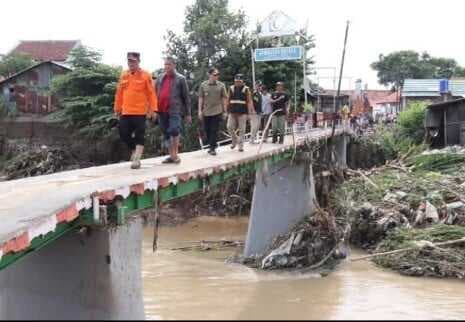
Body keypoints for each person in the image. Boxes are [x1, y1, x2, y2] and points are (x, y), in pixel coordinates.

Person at [114, 52, 158, 169]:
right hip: (126, 111)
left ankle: (137, 159)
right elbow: (119, 93)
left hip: (140, 112)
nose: (130, 63)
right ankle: (134, 149)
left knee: (140, 134)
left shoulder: (146, 75)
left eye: (133, 61)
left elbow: (151, 94)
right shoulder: (124, 75)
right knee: (123, 133)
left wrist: (153, 110)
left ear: (138, 61)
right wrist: (117, 108)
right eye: (129, 61)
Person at [156, 57, 192, 164]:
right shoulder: (160, 77)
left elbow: (186, 97)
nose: (166, 66)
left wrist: (188, 114)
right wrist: (153, 109)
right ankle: (171, 155)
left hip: (175, 110)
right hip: (161, 110)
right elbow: (155, 93)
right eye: (165, 64)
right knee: (166, 133)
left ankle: (175, 154)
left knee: (174, 130)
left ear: (174, 65)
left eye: (169, 64)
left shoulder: (181, 78)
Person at [198, 68, 228, 156]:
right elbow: (200, 98)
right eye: (214, 75)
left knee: (214, 130)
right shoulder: (203, 85)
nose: (216, 76)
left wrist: (225, 111)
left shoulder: (221, 85)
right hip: (206, 111)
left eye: (217, 75)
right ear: (209, 75)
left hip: (217, 111)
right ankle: (212, 145)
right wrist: (199, 111)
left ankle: (212, 148)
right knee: (207, 130)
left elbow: (224, 98)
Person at [227, 74, 255, 152]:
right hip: (232, 112)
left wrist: (249, 113)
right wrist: (226, 110)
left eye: (239, 81)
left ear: (243, 82)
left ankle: (241, 146)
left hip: (243, 113)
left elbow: (249, 102)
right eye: (236, 81)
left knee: (242, 130)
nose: (238, 83)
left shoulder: (246, 89)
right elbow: (228, 100)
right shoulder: (231, 88)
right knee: (229, 127)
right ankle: (235, 139)